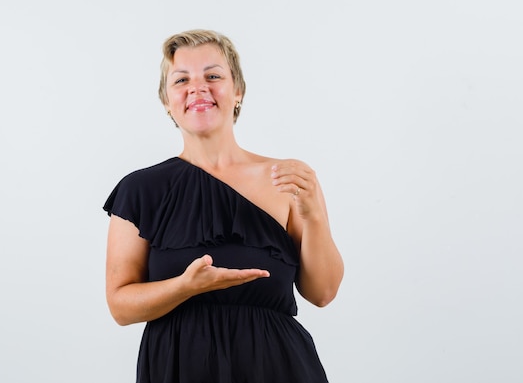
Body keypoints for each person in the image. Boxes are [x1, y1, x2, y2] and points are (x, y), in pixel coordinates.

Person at [103, 29, 344, 383]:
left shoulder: (288, 179)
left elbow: (322, 293)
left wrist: (314, 215)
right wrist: (185, 286)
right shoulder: (140, 189)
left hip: (277, 367)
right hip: (180, 368)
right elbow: (120, 307)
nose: (197, 88)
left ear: (238, 91)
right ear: (167, 101)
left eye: (213, 76)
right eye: (181, 79)